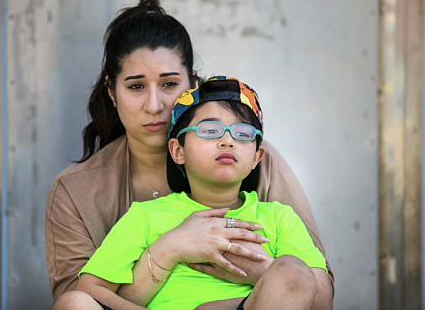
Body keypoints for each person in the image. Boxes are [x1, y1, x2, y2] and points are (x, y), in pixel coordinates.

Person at [45, 0, 334, 310]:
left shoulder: (261, 171)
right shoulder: (83, 194)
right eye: (136, 87)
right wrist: (169, 248)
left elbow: (313, 290)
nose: (154, 105)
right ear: (112, 92)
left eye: (169, 84)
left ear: (192, 85)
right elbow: (82, 297)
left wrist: (258, 271)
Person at [74, 76, 328, 310]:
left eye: (242, 134)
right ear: (178, 151)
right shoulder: (145, 216)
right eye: (209, 130)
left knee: (293, 270)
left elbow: (321, 300)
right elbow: (89, 292)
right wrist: (169, 248)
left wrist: (263, 271)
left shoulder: (279, 218)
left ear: (256, 157)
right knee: (73, 303)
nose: (227, 141)